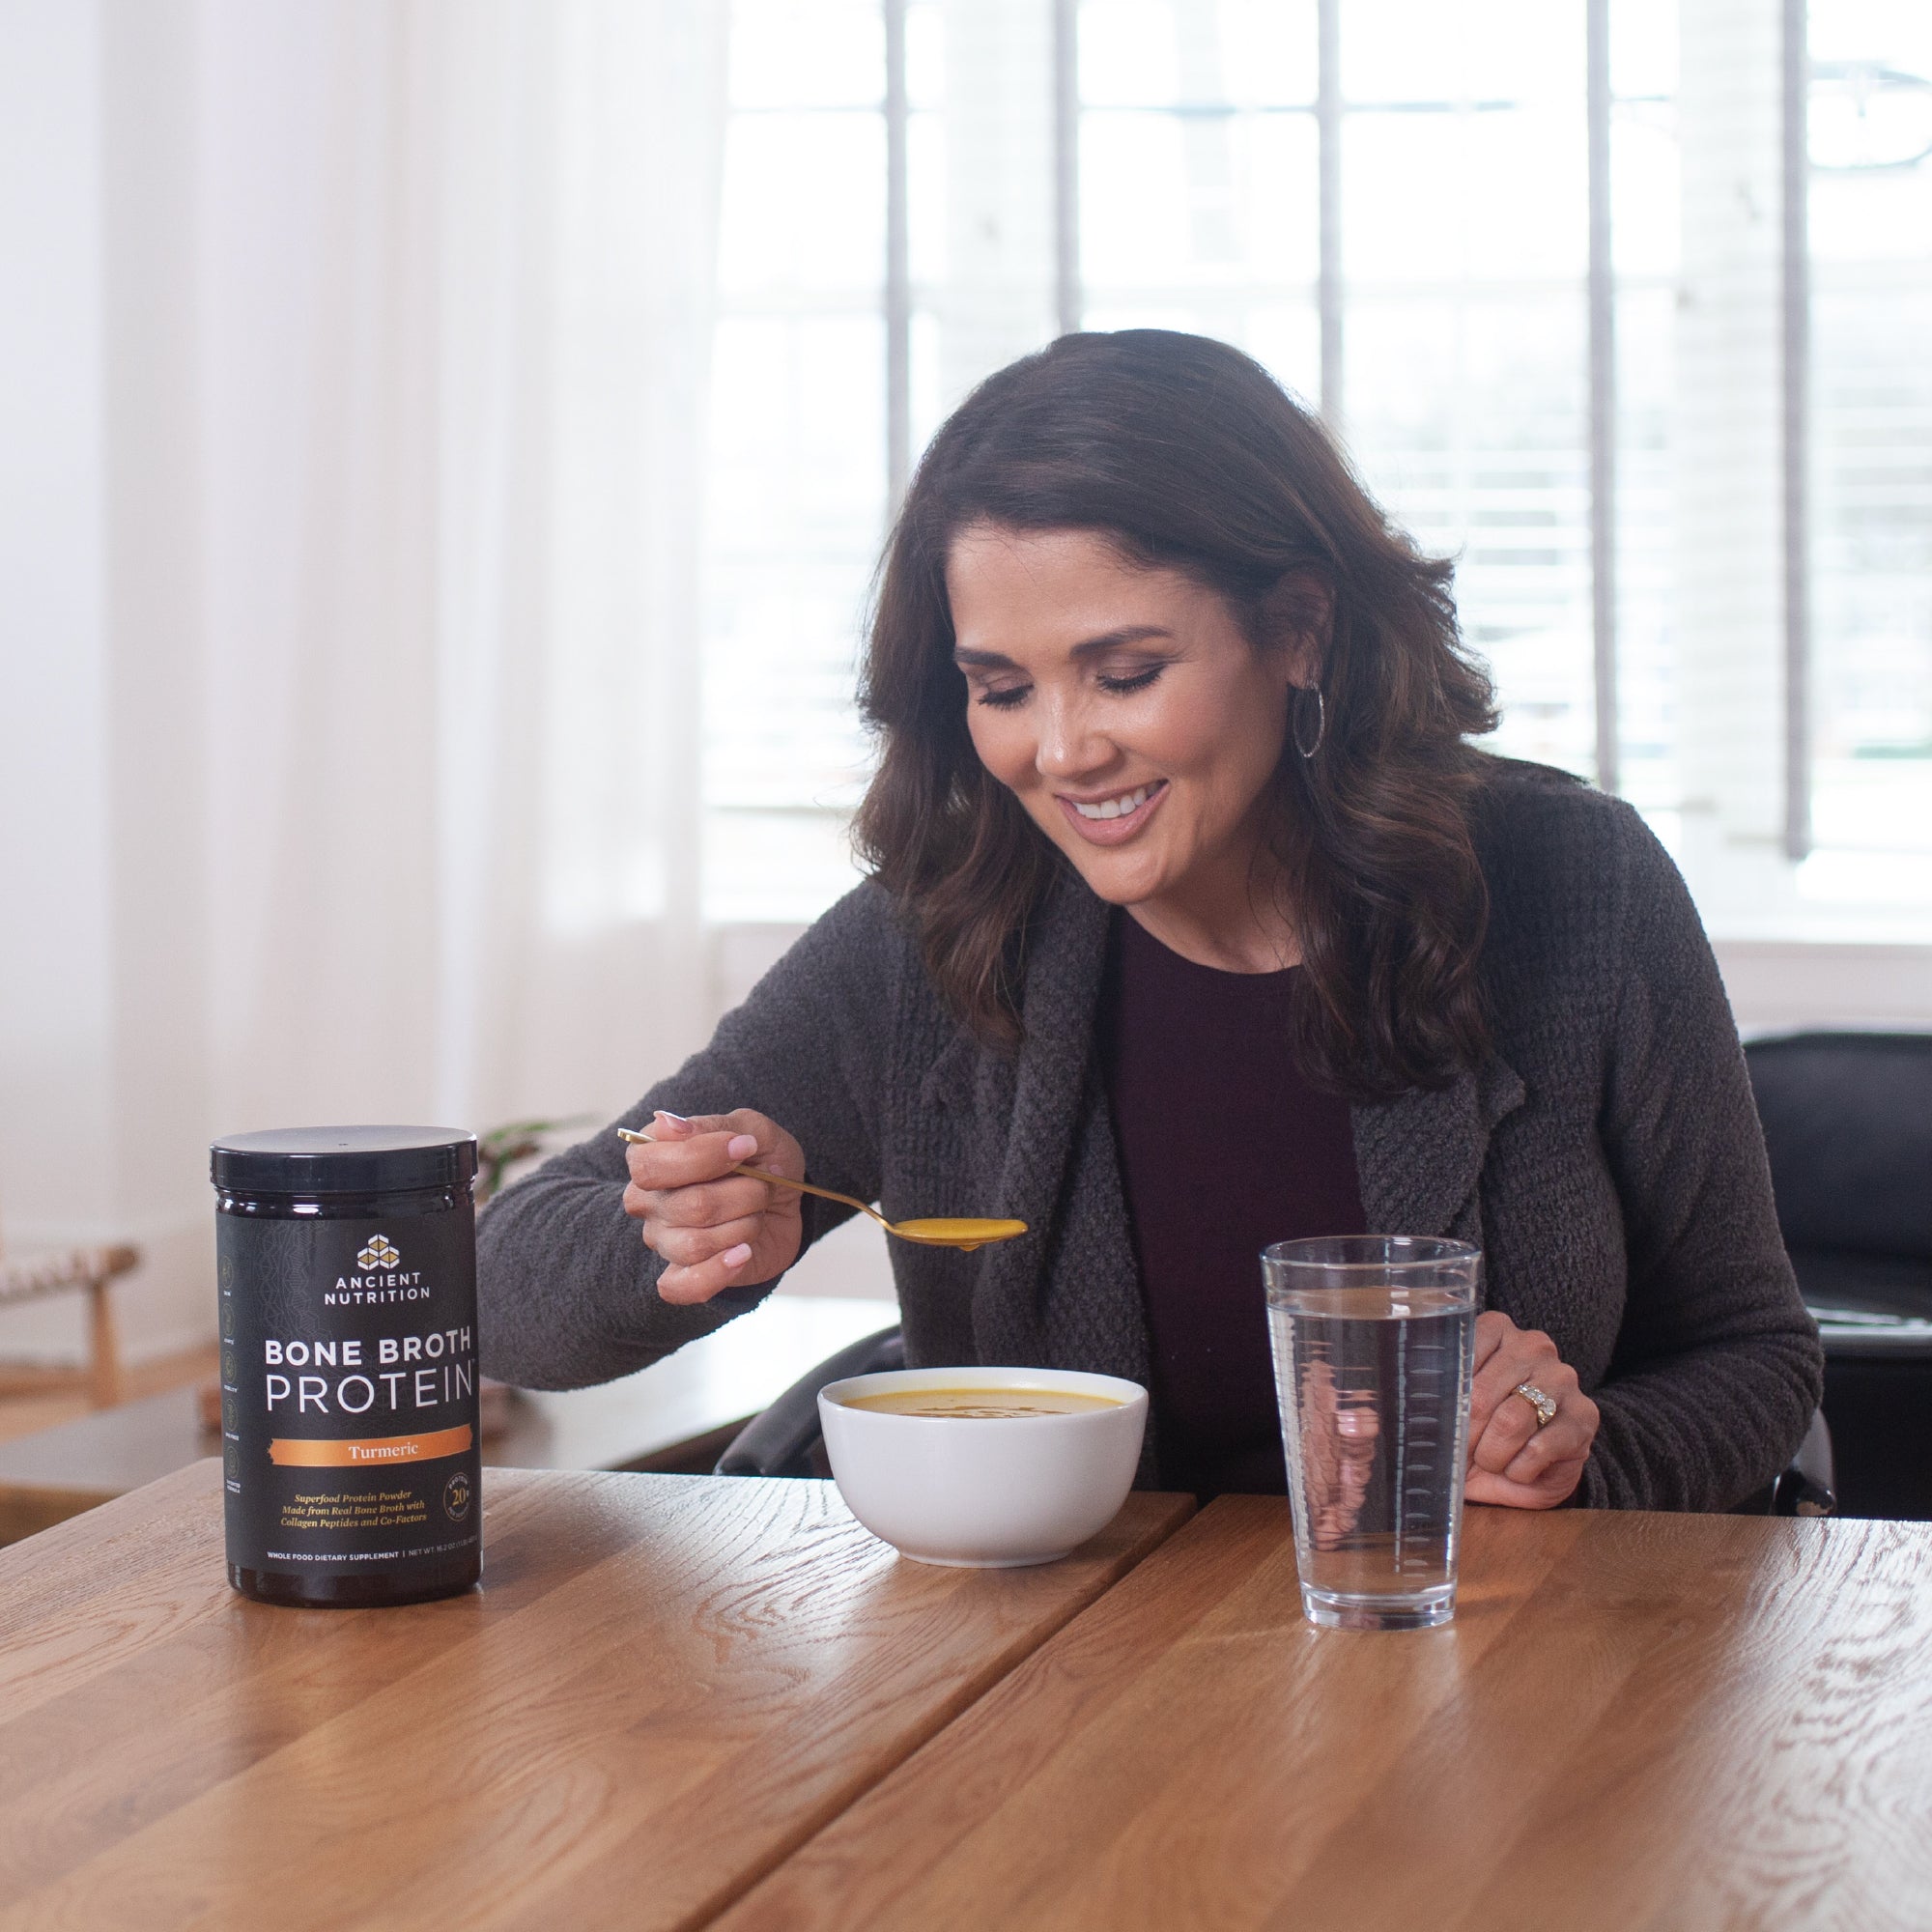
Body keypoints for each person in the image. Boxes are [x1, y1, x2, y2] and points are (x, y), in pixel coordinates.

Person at [478, 328, 1822, 1511]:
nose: (1062, 752)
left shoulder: (1574, 889)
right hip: (1067, 1701)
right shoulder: (936, 941)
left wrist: (1581, 1454)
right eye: (1002, 689)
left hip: (1492, 1675)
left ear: (1299, 628)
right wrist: (678, 1240)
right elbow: (501, 1294)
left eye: (1125, 673)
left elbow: (1758, 1356)